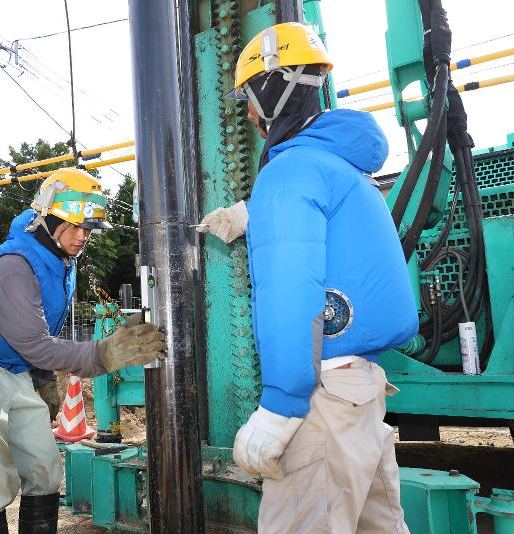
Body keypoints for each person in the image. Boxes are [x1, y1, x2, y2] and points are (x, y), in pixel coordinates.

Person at [198, 23, 419, 533]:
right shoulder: (341, 164)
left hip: (322, 399)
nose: (249, 115)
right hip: (362, 392)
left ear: (269, 91)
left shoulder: (287, 172)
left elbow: (289, 293)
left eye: (249, 99)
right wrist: (253, 213)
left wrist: (280, 403)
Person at [0, 168, 166, 534]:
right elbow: (34, 343)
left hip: (14, 371)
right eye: (74, 226)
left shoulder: (58, 261)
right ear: (48, 217)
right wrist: (103, 354)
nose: (82, 236)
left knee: (44, 466)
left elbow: (37, 335)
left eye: (87, 229)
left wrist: (42, 380)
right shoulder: (13, 264)